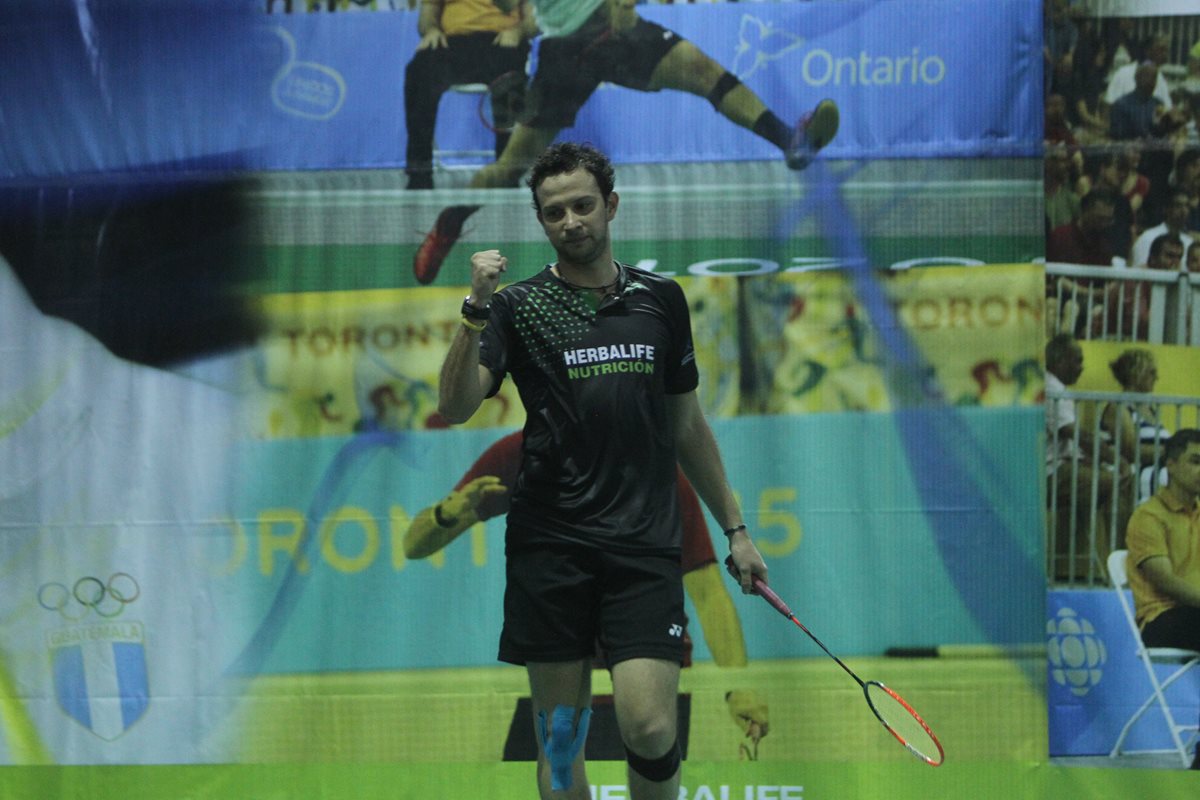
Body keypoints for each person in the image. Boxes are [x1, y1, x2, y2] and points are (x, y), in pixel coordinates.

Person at [435, 142, 768, 799]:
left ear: (610, 206)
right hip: (550, 549)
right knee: (561, 744)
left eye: (583, 205)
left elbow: (688, 427)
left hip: (643, 547)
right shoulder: (516, 306)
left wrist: (736, 530)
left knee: (648, 724)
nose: (571, 221)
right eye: (554, 212)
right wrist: (474, 308)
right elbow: (454, 405)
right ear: (542, 222)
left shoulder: (660, 301)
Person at [412, 0, 839, 283]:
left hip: (607, 31)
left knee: (704, 72)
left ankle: (791, 141)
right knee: (510, 166)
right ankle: (447, 226)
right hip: (577, 41)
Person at [403, 429, 770, 755]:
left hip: (642, 682)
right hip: (556, 679)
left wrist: (736, 685)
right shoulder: (517, 453)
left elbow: (709, 595)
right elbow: (413, 545)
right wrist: (444, 515)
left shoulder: (656, 465)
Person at [1124, 427, 1200, 769]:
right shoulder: (1149, 516)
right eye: (1195, 461)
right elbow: (1166, 581)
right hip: (1161, 619)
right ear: (1171, 465)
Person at [403, 0, 536, 189]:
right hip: (452, 43)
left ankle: (506, 173)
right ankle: (419, 173)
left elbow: (533, 19)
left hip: (501, 40)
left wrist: (518, 31)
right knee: (418, 71)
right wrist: (432, 30)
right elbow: (427, 17)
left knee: (511, 78)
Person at [1044, 333, 1132, 582]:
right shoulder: (1052, 389)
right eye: (1077, 360)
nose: (1081, 367)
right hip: (1047, 473)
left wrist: (1098, 460)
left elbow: (1072, 445)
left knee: (1100, 485)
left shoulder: (1056, 389)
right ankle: (1121, 568)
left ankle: (1092, 567)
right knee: (1117, 483)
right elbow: (1076, 434)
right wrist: (1117, 459)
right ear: (1059, 360)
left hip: (1058, 468)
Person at [1099, 348, 1170, 503]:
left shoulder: (1150, 409)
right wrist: (1173, 453)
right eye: (1151, 372)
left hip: (1153, 466)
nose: (1156, 377)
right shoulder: (1119, 407)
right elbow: (1130, 451)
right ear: (1135, 373)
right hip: (1130, 470)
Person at [1130, 191, 1195, 269]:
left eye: (1187, 206)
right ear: (1166, 209)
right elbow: (1139, 272)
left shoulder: (1190, 242)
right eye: (1178, 206)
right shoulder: (1148, 237)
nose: (1183, 211)